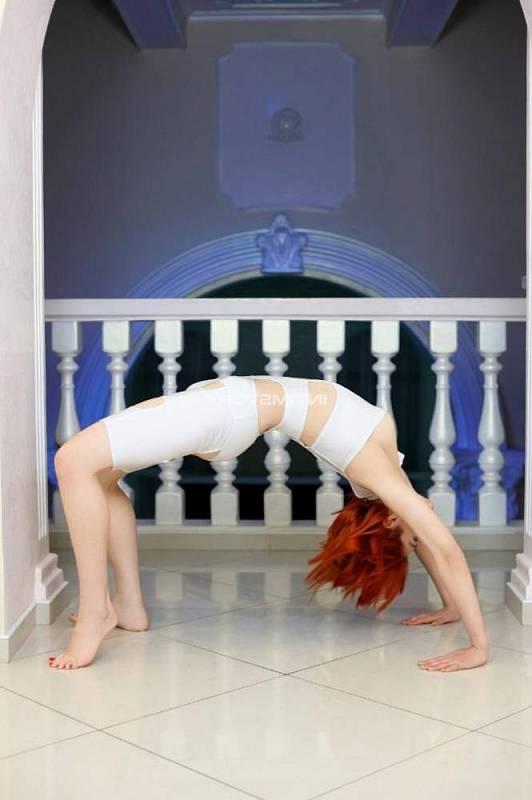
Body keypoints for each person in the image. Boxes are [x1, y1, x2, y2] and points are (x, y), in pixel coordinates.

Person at [51, 375, 489, 672]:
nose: (424, 526)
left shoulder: (375, 470)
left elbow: (445, 549)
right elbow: (429, 542)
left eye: (413, 536)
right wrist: (450, 606)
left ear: (391, 520)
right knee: (102, 476)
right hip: (227, 406)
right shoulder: (386, 470)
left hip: (224, 411)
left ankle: (94, 613)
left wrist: (478, 647)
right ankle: (128, 605)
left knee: (72, 460)